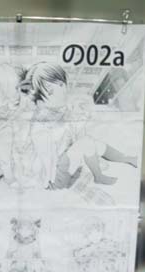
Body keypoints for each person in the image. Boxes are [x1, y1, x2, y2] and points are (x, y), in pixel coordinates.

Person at [20, 62, 137, 190]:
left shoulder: (57, 112)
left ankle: (126, 158)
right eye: (51, 90)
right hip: (53, 180)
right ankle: (99, 176)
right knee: (86, 142)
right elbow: (45, 157)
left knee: (92, 142)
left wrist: (79, 117)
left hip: (63, 168)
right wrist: (47, 183)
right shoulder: (41, 125)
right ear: (39, 100)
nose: (63, 91)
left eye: (62, 85)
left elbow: (73, 135)